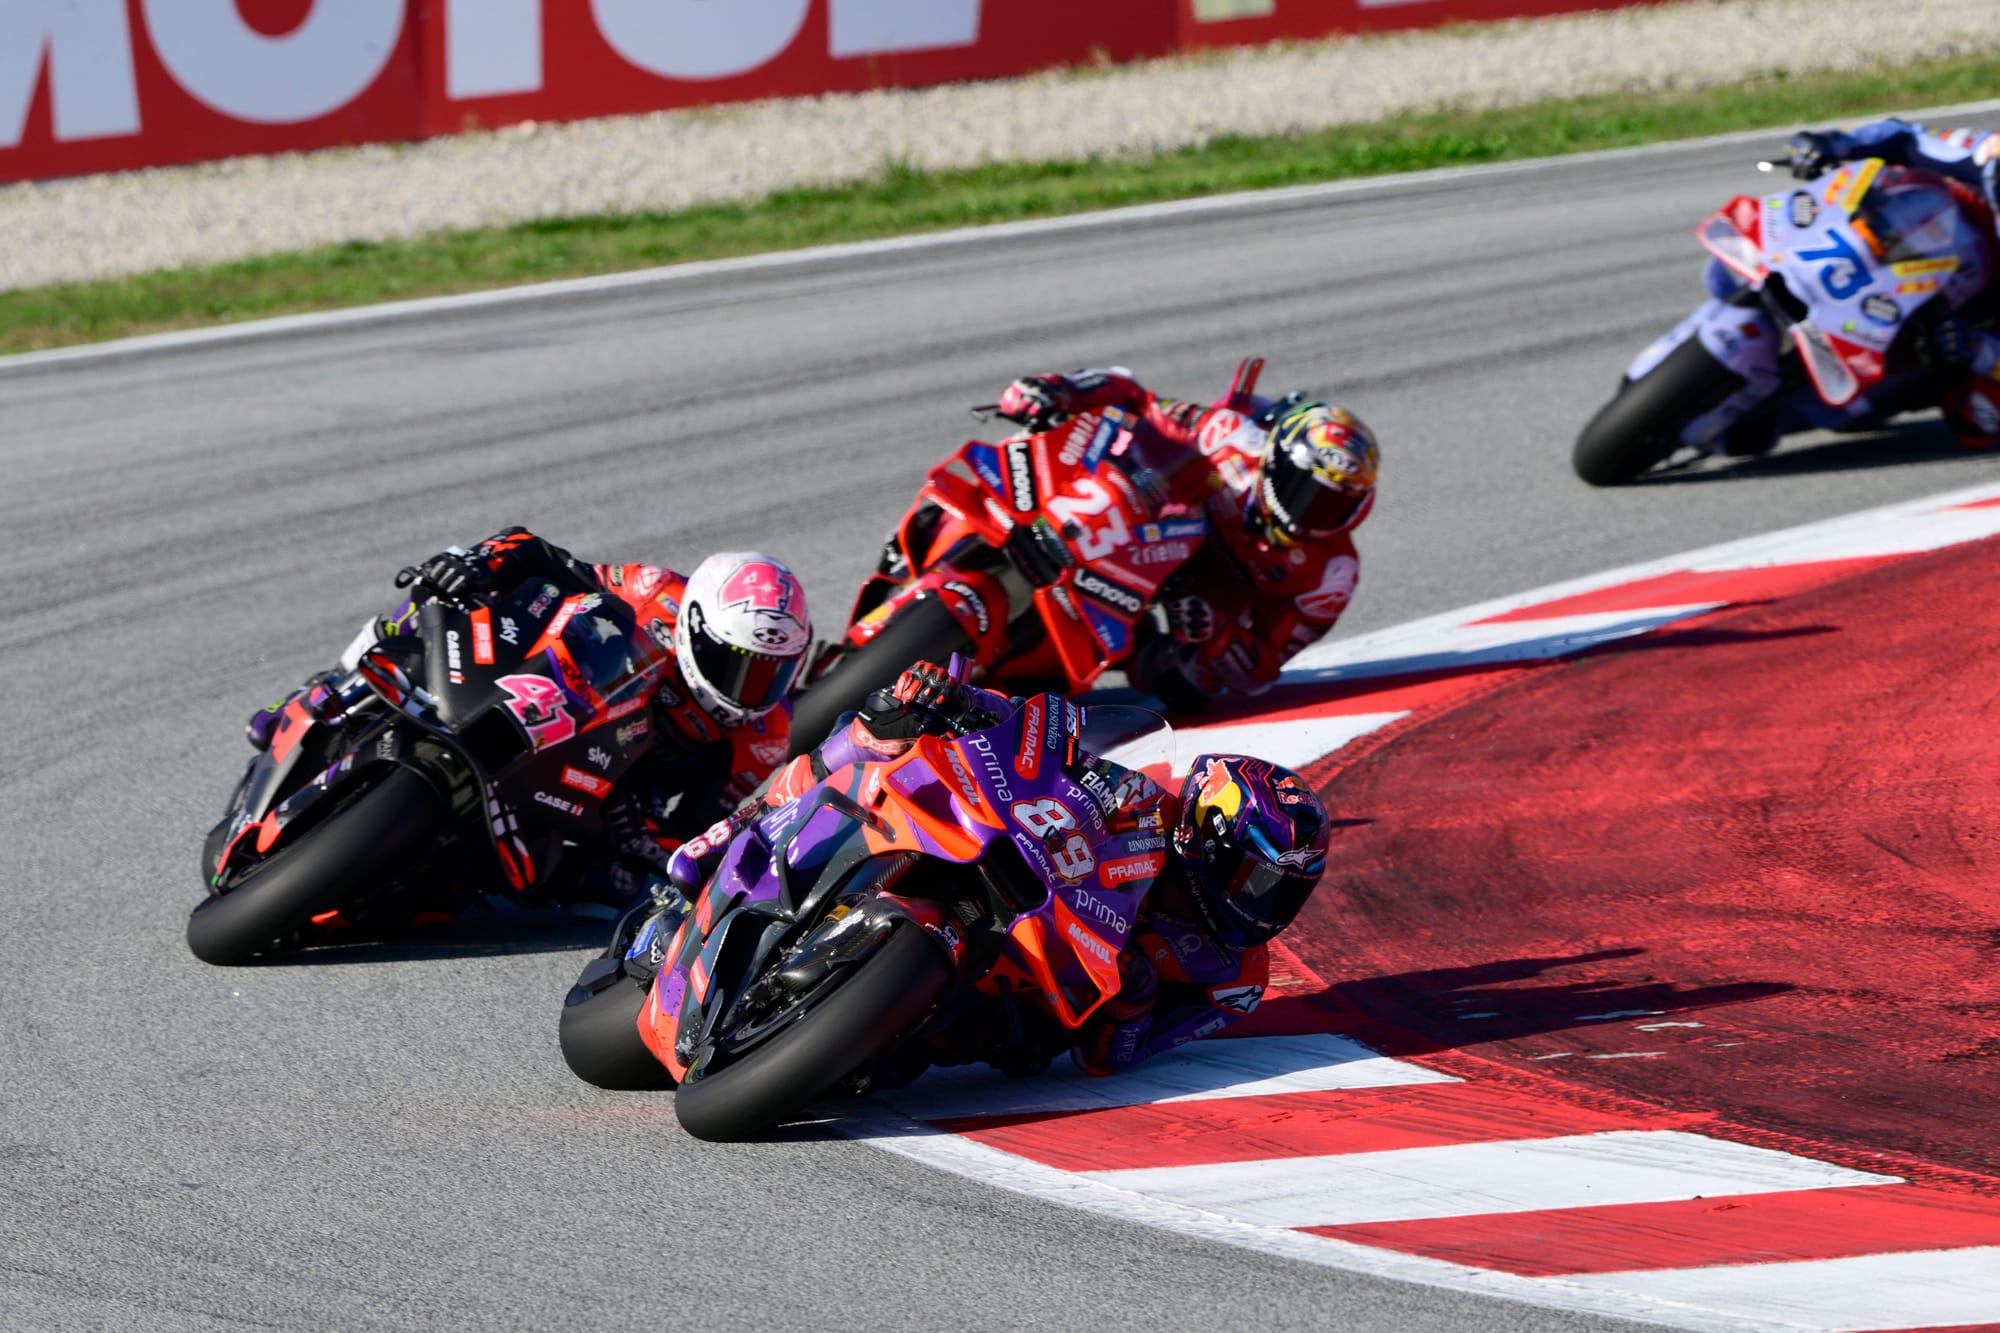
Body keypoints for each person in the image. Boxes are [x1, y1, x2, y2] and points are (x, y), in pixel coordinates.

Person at [661, 660, 1332, 1077]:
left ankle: (840, 1032)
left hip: (1025, 1002)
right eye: (1258, 879)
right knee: (880, 738)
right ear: (1209, 837)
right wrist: (964, 701)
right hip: (1015, 881)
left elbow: (1117, 1058)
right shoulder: (1149, 803)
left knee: (928, 1060)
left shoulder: (1237, 976)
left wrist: (1134, 993)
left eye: (1282, 891)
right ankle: (738, 831)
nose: (1265, 905)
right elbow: (1046, 746)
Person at [246, 527, 811, 911]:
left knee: (616, 888)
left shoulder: (766, 736)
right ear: (694, 623)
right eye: (736, 663)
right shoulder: (654, 588)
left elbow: (703, 829)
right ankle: (321, 689)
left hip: (609, 795)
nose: (752, 690)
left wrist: (648, 840)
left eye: (773, 673)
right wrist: (477, 564)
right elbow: (548, 560)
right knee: (431, 601)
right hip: (542, 696)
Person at [993, 366, 1378, 712]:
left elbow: (1260, 670)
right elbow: (1136, 399)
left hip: (1198, 603)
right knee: (1061, 451)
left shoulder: (1332, 575)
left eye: (1329, 504)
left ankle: (1054, 668)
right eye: (1303, 490)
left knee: (1190, 683)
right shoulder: (1229, 436)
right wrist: (1060, 390)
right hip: (1146, 527)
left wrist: (1216, 634)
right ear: (1275, 459)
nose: (1306, 512)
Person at [1786, 119, 2000, 448]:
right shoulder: (1987, 153)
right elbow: (1905, 135)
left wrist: (1973, 348)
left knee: (1978, 418)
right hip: (1913, 230)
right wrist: (1835, 143)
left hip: (1952, 321)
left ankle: (1786, 415)